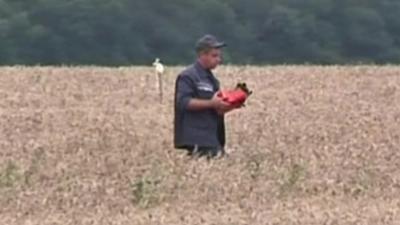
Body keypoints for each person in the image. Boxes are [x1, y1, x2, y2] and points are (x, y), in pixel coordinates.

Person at [173, 34, 238, 158]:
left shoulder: (212, 80)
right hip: (196, 136)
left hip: (212, 136)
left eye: (219, 56)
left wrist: (230, 104)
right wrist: (211, 103)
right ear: (202, 55)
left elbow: (216, 108)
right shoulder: (188, 76)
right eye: (214, 56)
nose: (219, 59)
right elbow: (183, 102)